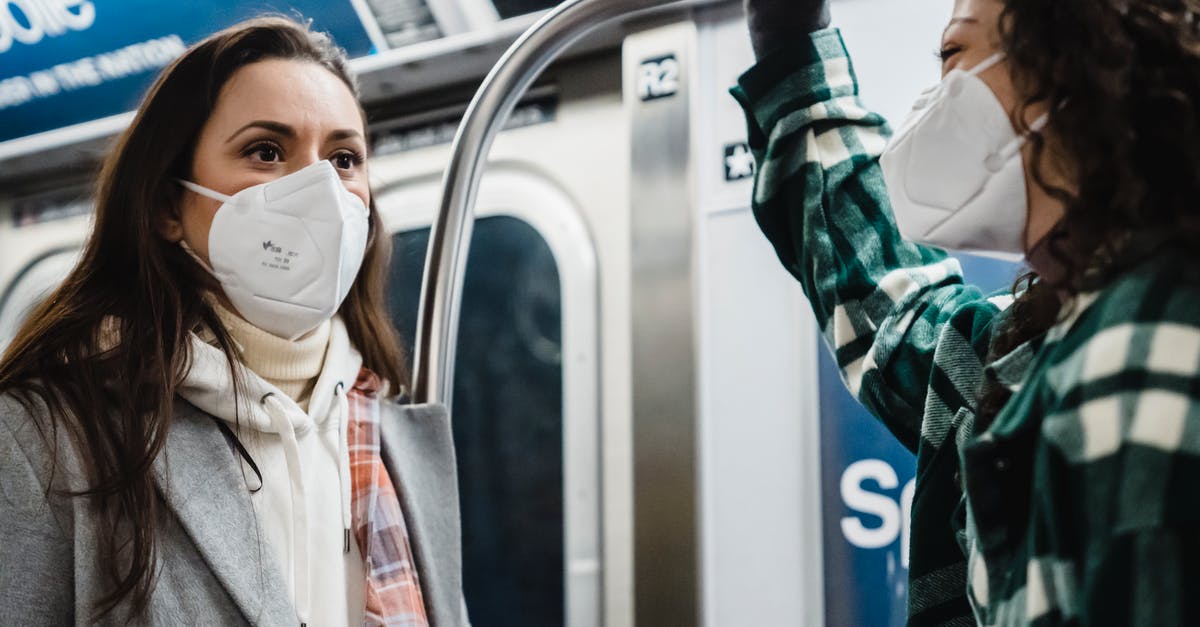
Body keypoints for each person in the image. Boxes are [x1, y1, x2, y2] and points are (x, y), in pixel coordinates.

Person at [735, 0, 1200, 625]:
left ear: (1066, 74)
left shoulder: (1144, 348)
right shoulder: (1044, 336)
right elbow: (894, 307)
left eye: (953, 57)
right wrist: (788, 35)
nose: (935, 102)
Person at [0, 17, 467, 626]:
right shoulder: (47, 437)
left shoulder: (396, 436)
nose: (320, 190)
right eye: (266, 151)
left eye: (344, 158)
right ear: (170, 205)